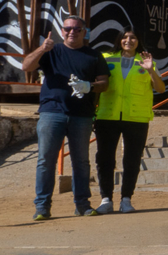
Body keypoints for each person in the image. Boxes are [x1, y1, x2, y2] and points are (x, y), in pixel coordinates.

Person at [23, 15, 110, 220]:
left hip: (82, 115)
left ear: (84, 32)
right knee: (46, 160)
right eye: (68, 28)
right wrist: (42, 49)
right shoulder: (51, 51)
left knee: (81, 162)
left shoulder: (94, 55)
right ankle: (42, 207)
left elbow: (105, 83)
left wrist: (89, 86)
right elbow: (26, 66)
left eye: (77, 29)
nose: (72, 32)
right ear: (62, 31)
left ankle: (82, 204)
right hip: (52, 112)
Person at [93, 28, 165, 214]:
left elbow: (161, 88)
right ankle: (106, 199)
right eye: (125, 37)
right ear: (119, 40)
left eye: (133, 37)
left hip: (137, 117)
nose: (128, 40)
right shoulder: (106, 58)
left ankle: (126, 199)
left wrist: (150, 70)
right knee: (105, 159)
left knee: (132, 160)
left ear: (138, 41)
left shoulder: (147, 61)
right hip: (107, 116)